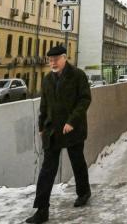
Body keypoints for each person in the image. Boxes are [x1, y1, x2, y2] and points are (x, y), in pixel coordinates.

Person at [25, 45, 92, 224]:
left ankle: (84, 192)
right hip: (52, 130)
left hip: (72, 129)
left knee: (77, 162)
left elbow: (85, 99)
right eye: (50, 60)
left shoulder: (78, 75)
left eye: (55, 60)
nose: (52, 63)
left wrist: (72, 121)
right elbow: (44, 104)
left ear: (64, 58)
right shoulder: (47, 79)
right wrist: (41, 125)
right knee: (47, 170)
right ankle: (42, 210)